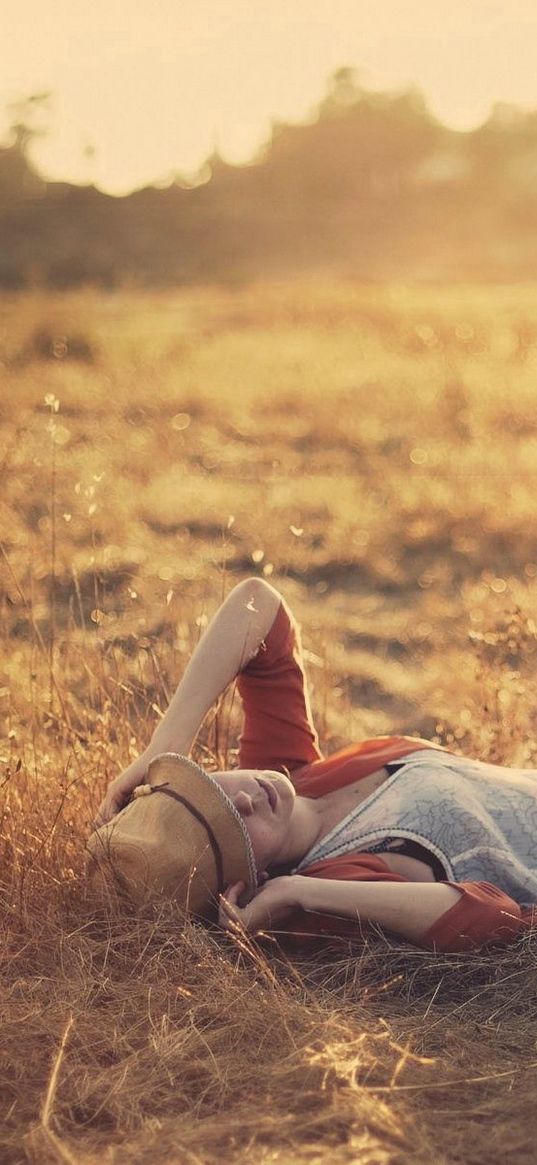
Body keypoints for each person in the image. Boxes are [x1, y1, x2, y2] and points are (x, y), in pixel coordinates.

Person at [90, 577, 537, 951]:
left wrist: (164, 748)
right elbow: (495, 915)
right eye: (234, 827)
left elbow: (258, 602)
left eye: (211, 789)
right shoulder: (332, 875)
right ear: (248, 881)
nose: (245, 799)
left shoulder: (289, 773)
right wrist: (299, 893)